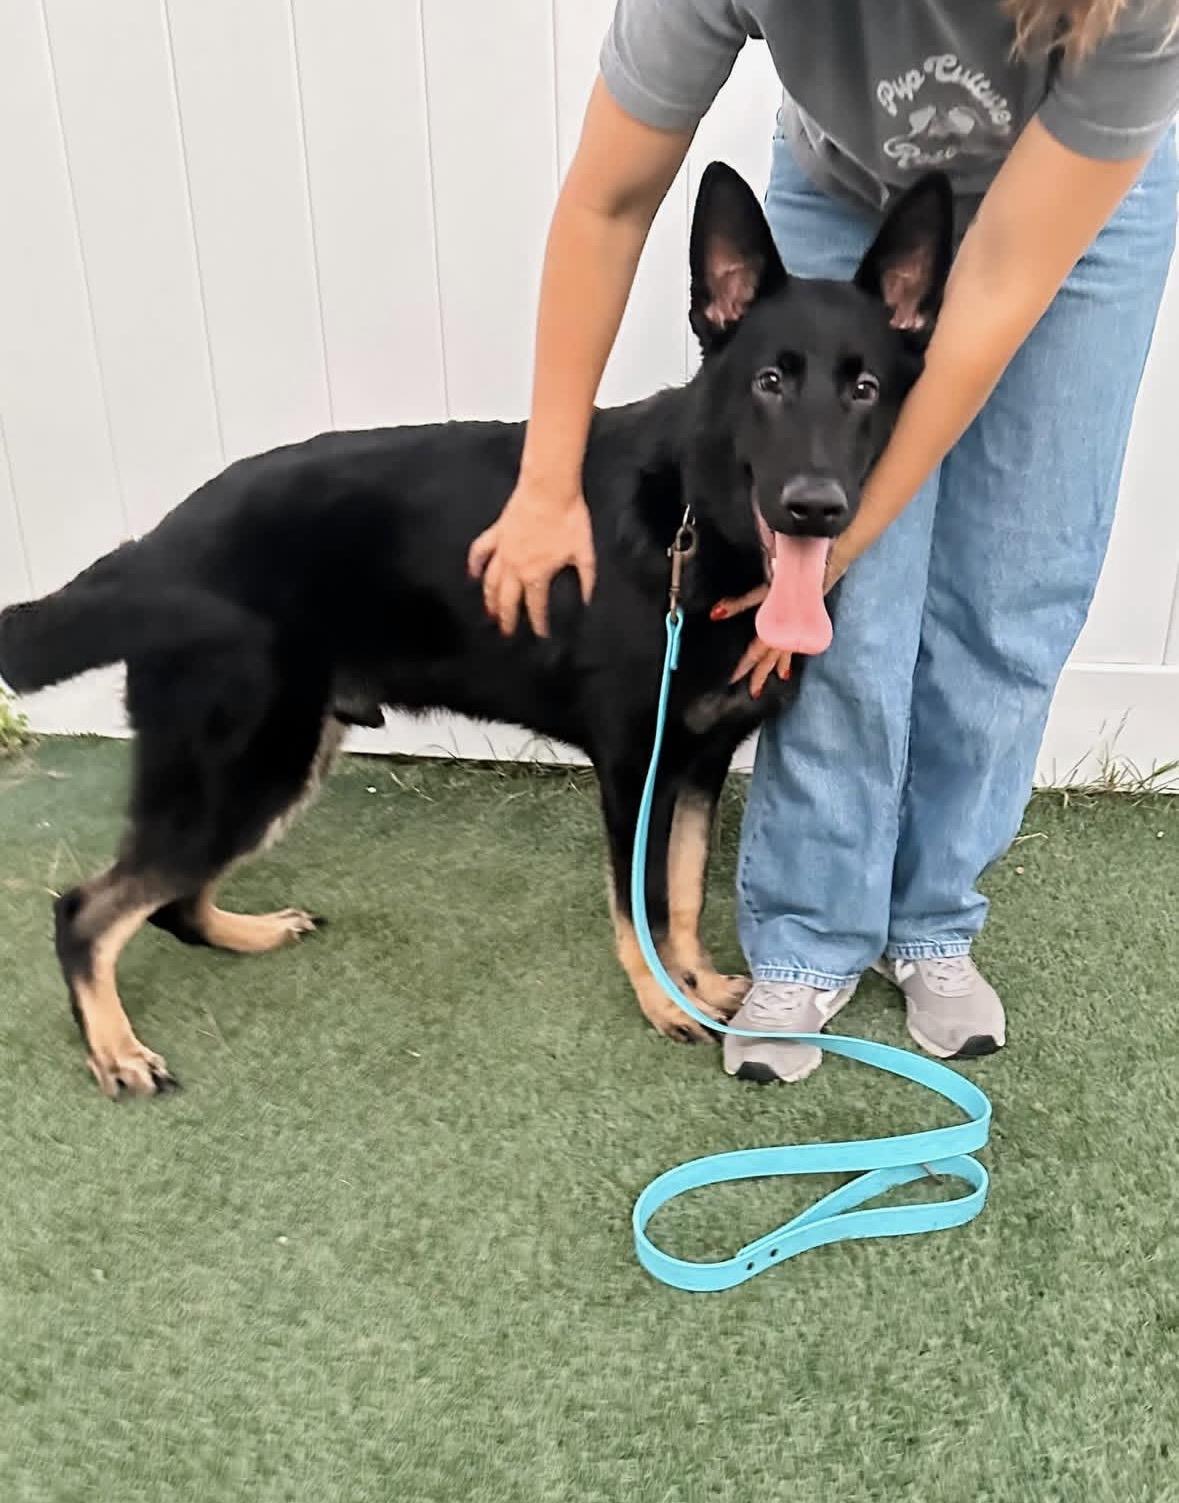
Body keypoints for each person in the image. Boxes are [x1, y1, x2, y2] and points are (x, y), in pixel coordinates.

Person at [469, 1, 1179, 1083]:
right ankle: (808, 936)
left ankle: (934, 920)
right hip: (843, 188)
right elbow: (610, 202)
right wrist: (544, 479)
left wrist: (824, 557)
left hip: (1079, 210)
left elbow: (984, 298)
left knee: (1015, 585)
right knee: (852, 624)